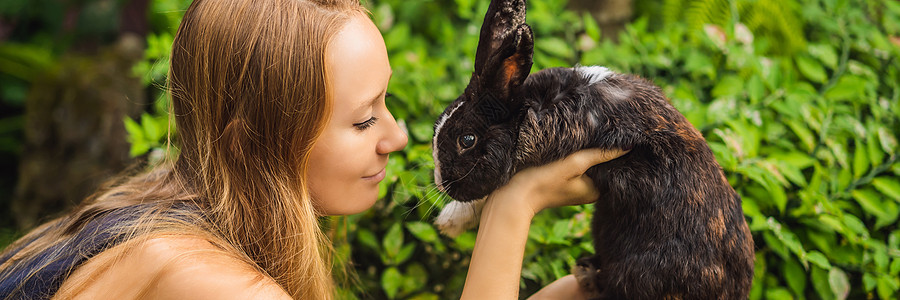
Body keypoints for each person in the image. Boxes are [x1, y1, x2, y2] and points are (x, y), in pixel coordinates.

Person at [0, 0, 627, 298]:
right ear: (254, 140)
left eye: (387, 103)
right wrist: (516, 204)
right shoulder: (215, 284)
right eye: (362, 121)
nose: (399, 136)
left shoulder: (167, 205)